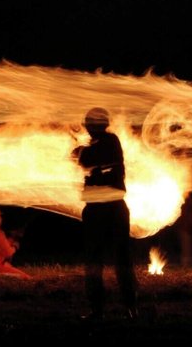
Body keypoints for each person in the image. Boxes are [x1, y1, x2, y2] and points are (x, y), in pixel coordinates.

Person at [72, 107, 138, 321]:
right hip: (103, 208)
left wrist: (79, 152)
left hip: (108, 209)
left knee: (118, 258)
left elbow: (89, 159)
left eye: (89, 124)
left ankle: (129, 306)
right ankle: (100, 308)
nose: (87, 128)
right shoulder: (100, 144)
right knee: (96, 260)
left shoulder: (110, 142)